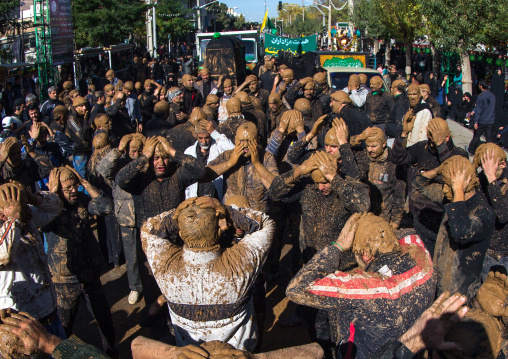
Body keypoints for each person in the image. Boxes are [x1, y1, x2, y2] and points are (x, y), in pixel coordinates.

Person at [286, 213, 435, 358]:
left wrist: (337, 246)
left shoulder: (368, 287)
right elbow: (406, 233)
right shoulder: (419, 251)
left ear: (366, 254)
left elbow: (296, 289)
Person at [140, 196, 275, 351]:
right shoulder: (241, 262)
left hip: (189, 353)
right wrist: (228, 211)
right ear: (219, 230)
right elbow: (266, 224)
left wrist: (174, 216)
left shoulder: (166, 266)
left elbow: (147, 230)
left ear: (182, 234)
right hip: (237, 353)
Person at [43, 166, 117, 354]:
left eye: (75, 186)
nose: (73, 191)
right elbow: (40, 216)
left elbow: (106, 206)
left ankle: (110, 353)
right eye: (68, 188)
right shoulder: (50, 210)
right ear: (57, 189)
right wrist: (52, 195)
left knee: (104, 318)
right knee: (64, 325)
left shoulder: (82, 201)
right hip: (65, 280)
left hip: (90, 273)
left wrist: (84, 183)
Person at [413, 155, 495, 298]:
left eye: (448, 185)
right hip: (440, 280)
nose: (444, 190)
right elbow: (419, 184)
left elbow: (460, 232)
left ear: (465, 184)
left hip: (460, 290)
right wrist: (439, 170)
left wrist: (457, 189)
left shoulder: (483, 211)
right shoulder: (452, 198)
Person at [391, 117, 468, 254]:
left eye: (434, 140)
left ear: (447, 138)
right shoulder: (423, 148)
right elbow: (397, 158)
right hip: (420, 218)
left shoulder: (459, 154)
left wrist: (440, 146)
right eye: (430, 139)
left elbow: (453, 173)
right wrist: (403, 134)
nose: (431, 144)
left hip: (443, 221)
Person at [0, 181, 65, 336]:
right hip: (23, 324)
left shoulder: (27, 220)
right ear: (3, 214)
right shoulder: (12, 225)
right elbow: (5, 255)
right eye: (22, 206)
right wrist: (15, 216)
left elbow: (56, 207)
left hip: (50, 313)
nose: (28, 209)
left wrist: (33, 198)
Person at [97, 134, 147, 305]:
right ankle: (135, 286)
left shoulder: (145, 162)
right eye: (133, 150)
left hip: (145, 214)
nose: (136, 153)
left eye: (139, 150)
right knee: (131, 255)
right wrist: (117, 150)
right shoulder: (119, 162)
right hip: (126, 215)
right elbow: (102, 169)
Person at [204, 122, 279, 213]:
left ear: (258, 141)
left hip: (257, 215)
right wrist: (230, 163)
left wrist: (257, 163)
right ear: (235, 140)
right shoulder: (227, 155)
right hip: (232, 213)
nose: (245, 145)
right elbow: (204, 175)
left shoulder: (267, 157)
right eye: (242, 141)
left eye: (250, 141)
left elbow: (276, 186)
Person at [473, 143, 508, 276]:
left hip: (500, 253)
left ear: (503, 165)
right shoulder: (484, 175)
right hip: (481, 244)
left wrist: (492, 178)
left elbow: (503, 215)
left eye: (491, 167)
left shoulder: (494, 177)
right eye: (484, 167)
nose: (486, 171)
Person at [184, 119, 234, 200]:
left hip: (215, 197)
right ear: (196, 135)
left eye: (207, 137)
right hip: (195, 199)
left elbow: (233, 150)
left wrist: (215, 133)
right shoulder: (189, 152)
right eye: (200, 138)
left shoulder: (219, 148)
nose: (204, 141)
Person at [468, 79, 496, 156]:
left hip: (482, 120)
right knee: (489, 138)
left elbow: (478, 110)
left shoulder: (481, 96)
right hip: (490, 120)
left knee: (477, 136)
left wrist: (476, 121)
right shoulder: (493, 96)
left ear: (481, 86)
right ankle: (489, 153)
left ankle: (471, 150)